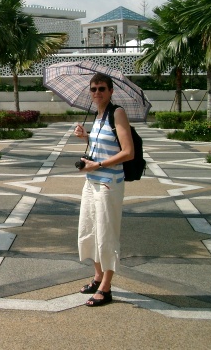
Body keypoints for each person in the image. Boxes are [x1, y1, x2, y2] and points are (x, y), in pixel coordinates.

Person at [73, 72, 134, 307]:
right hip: (91, 181)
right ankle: (97, 277)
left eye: (101, 89)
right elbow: (105, 145)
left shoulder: (117, 113)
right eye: (93, 89)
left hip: (109, 183)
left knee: (106, 234)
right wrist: (86, 137)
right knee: (88, 229)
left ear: (110, 91)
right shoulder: (98, 116)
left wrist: (97, 164)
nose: (96, 93)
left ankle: (106, 288)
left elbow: (128, 152)